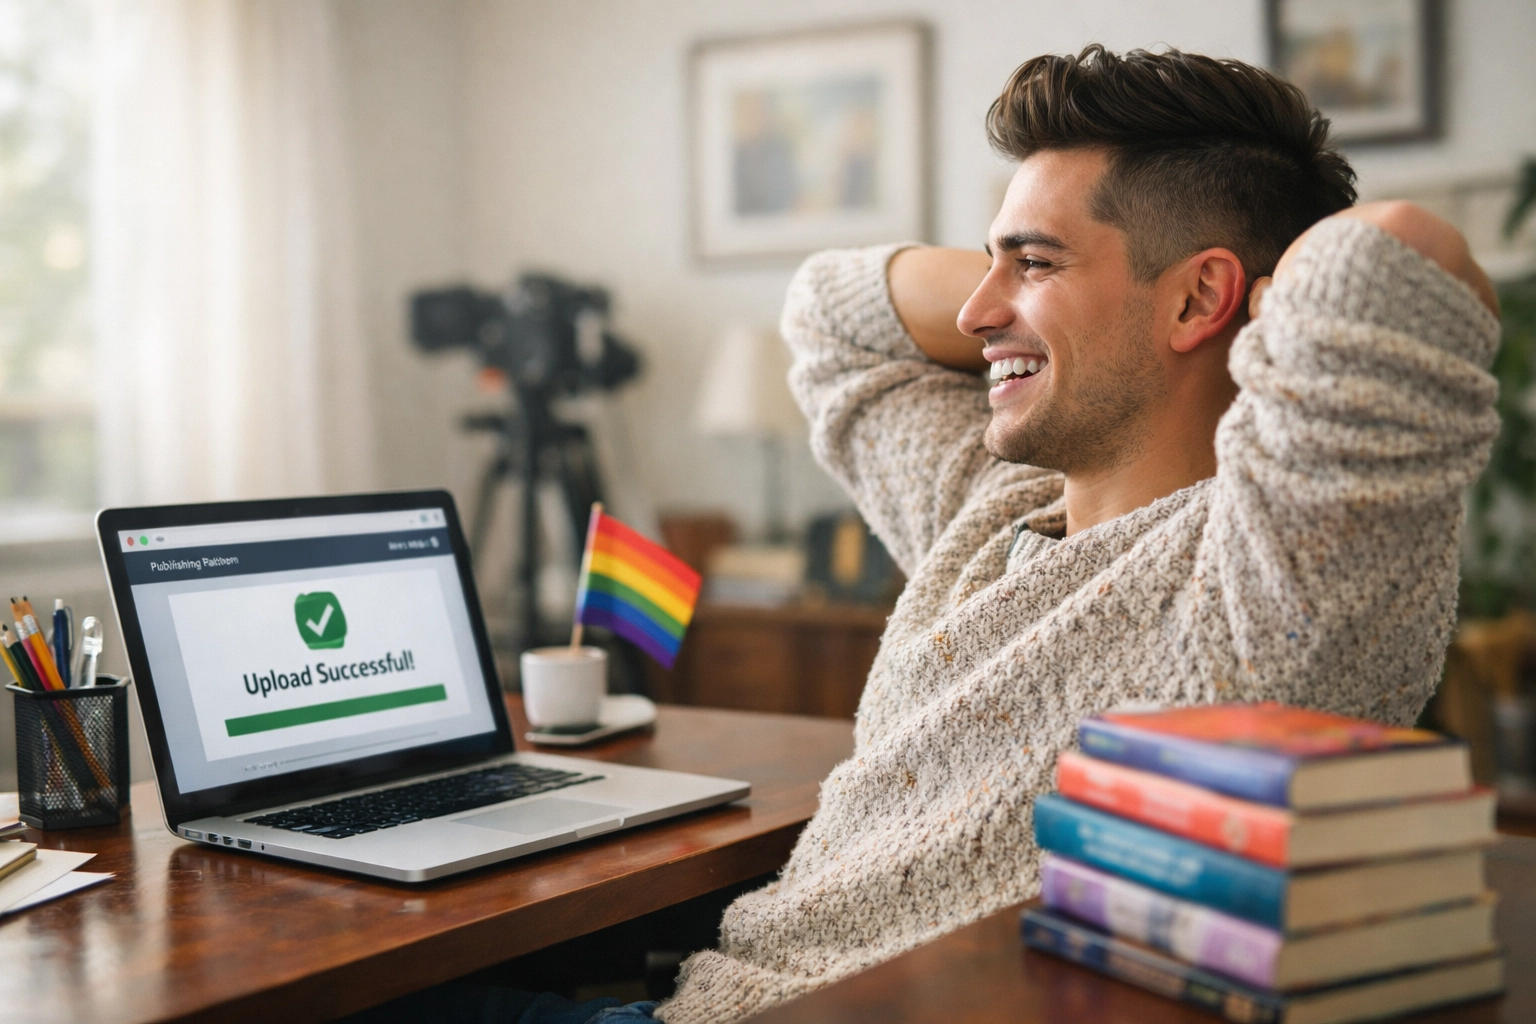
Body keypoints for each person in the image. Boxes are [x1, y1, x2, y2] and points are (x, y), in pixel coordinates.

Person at [352, 45, 1501, 1024]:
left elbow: (1384, 261)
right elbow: (830, 314)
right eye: (988, 258)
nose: (972, 310)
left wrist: (1222, 284)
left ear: (1205, 302)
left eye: (1033, 261)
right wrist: (1054, 296)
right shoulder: (986, 506)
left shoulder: (1270, 582)